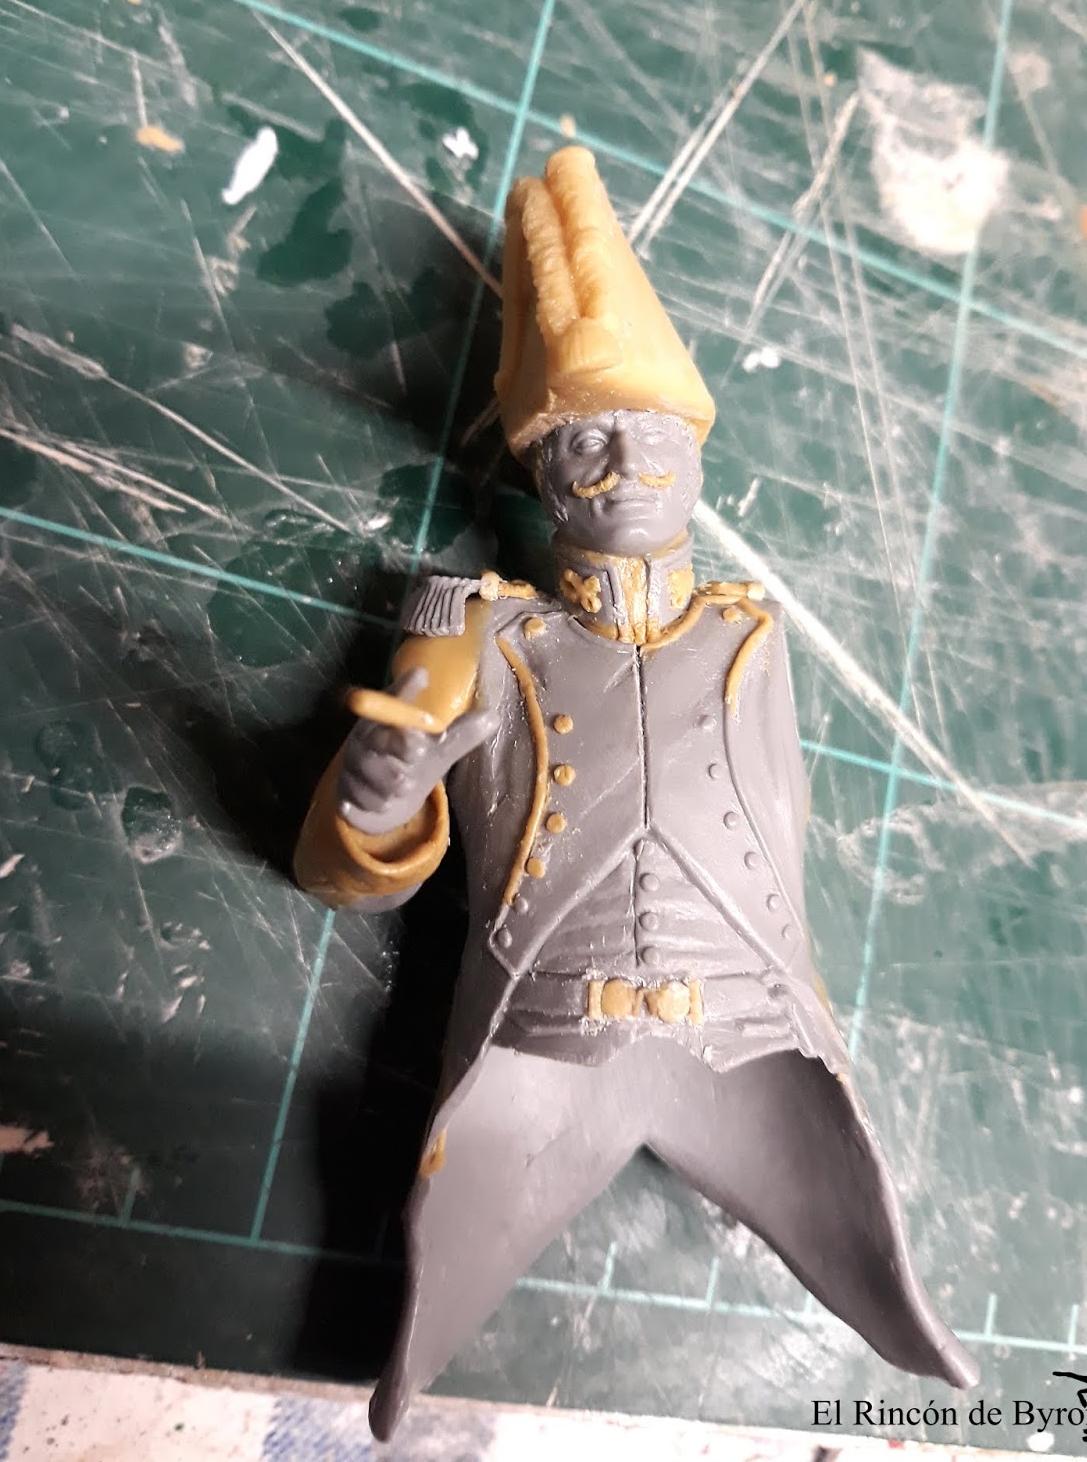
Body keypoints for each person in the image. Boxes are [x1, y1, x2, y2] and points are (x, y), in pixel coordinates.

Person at [295, 146, 977, 1439]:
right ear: (543, 472)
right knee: (421, 1309)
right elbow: (338, 867)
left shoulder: (750, 638)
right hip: (534, 1044)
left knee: (886, 1282)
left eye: (654, 434)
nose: (626, 462)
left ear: (698, 455)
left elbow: (780, 847)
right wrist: (379, 801)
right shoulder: (475, 630)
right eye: (587, 440)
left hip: (756, 1045)